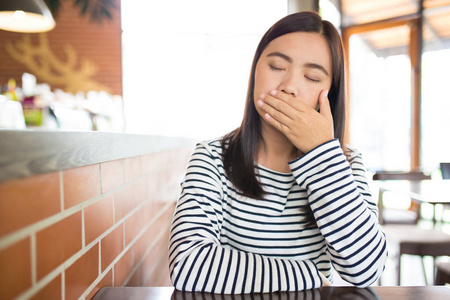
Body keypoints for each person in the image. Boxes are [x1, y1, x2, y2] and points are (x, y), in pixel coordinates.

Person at [168, 11, 387, 294]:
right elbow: (188, 265)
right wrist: (309, 274)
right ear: (255, 72)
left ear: (330, 94)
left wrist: (322, 154)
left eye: (311, 76)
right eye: (276, 66)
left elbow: (366, 269)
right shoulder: (212, 158)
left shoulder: (343, 162)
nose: (289, 87)